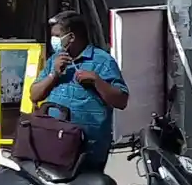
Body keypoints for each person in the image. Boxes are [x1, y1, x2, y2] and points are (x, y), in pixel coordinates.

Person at [29, 10, 128, 171]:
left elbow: (122, 101)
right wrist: (54, 75)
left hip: (88, 149)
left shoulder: (103, 61)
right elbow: (34, 95)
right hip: (53, 143)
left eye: (57, 36)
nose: (53, 41)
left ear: (72, 37)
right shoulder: (55, 60)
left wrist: (97, 81)